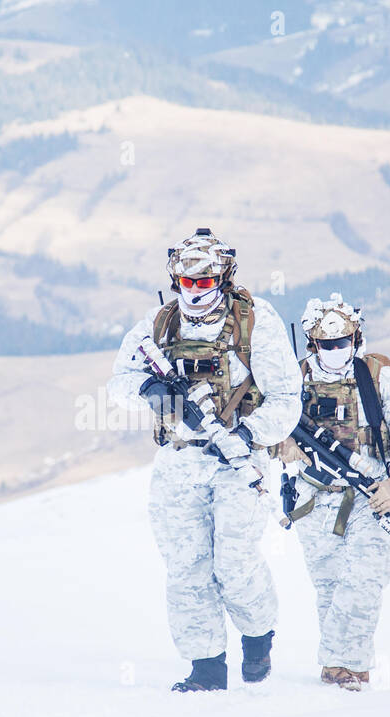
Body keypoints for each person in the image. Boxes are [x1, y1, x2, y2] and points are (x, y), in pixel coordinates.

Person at [108, 228, 301, 691]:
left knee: (233, 564)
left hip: (239, 458)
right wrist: (150, 391)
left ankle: (257, 637)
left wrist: (246, 433)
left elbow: (287, 397)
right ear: (175, 280)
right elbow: (119, 382)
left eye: (205, 281)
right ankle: (206, 667)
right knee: (186, 566)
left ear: (223, 278)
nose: (195, 291)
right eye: (187, 282)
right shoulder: (160, 325)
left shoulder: (256, 324)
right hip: (179, 460)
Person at [275, 294, 390, 690]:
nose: (335, 351)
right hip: (315, 499)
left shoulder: (382, 380)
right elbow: (263, 426)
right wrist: (281, 446)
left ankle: (344, 663)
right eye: (327, 345)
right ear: (312, 344)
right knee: (329, 588)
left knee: (364, 580)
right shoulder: (289, 383)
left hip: (369, 496)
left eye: (342, 343)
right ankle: (341, 672)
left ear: (355, 339)